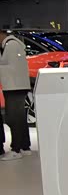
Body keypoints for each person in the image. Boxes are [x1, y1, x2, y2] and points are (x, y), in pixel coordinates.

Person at [0, 31, 32, 160]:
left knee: (14, 119)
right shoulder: (13, 45)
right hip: (16, 86)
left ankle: (16, 149)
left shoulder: (11, 45)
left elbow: (9, 67)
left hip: (14, 86)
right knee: (19, 118)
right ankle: (24, 147)